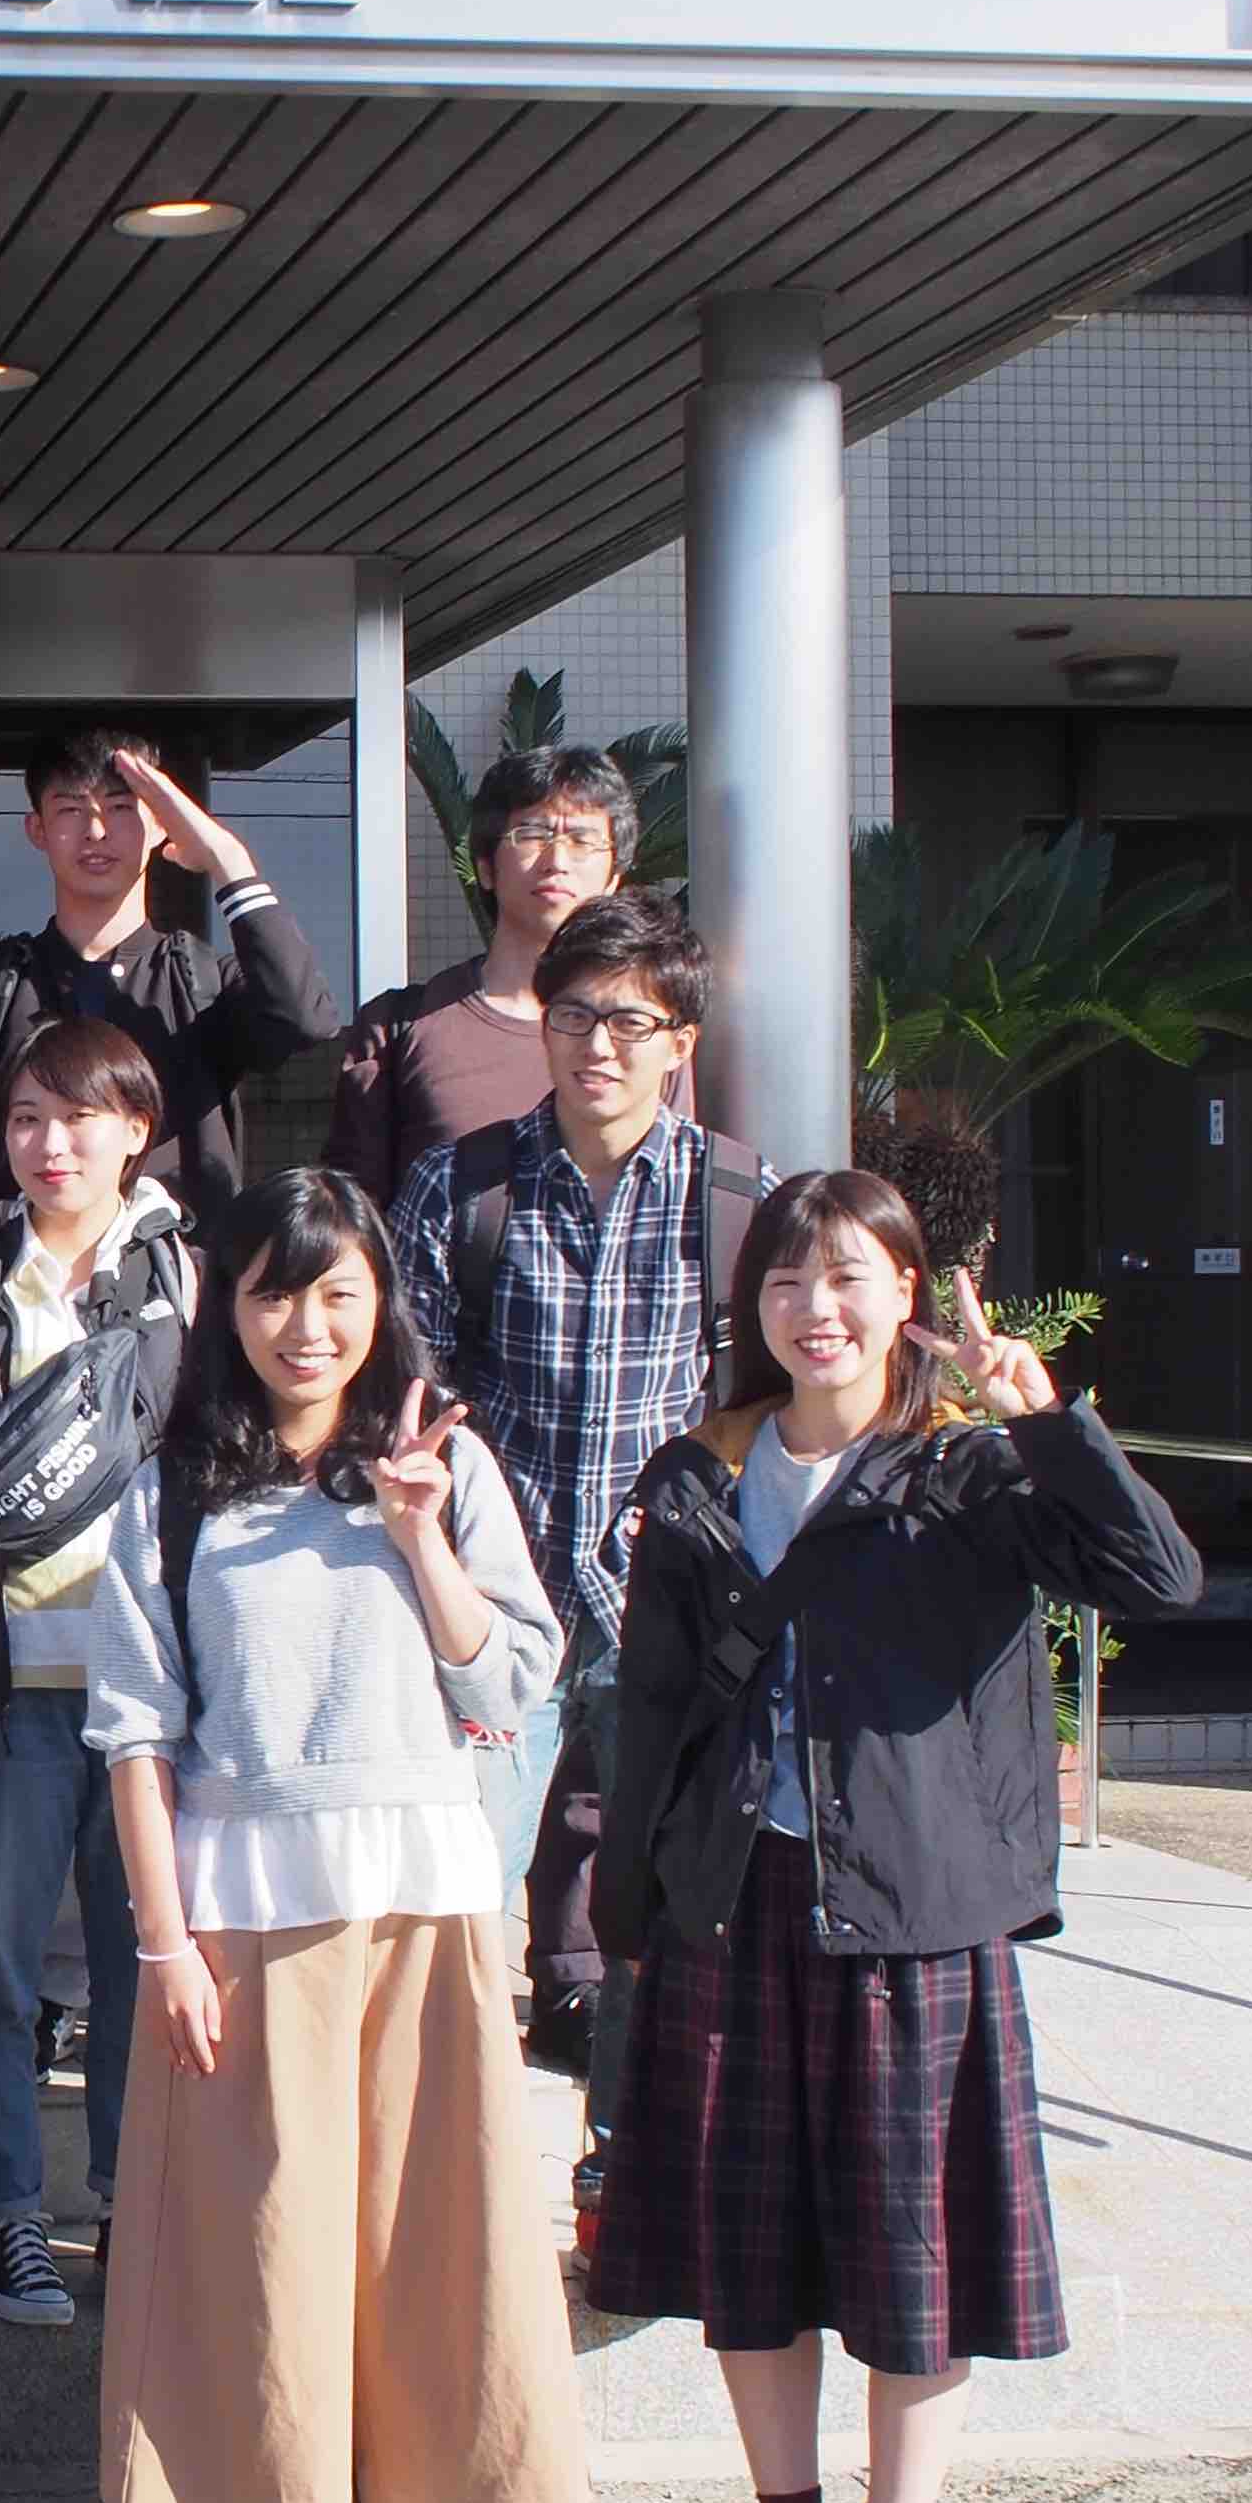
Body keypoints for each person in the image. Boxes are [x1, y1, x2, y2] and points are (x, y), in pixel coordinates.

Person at [589, 1180, 1202, 2503]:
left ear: (908, 1293)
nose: (818, 1309)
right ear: (754, 1307)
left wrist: (1047, 1424)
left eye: (851, 1277)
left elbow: (1158, 1577)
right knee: (749, 2253)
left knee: (909, 2255)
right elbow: (654, 1701)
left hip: (911, 1915)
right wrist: (628, 1906)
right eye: (788, 1281)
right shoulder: (703, 1474)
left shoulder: (970, 1472)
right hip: (737, 1898)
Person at [77, 1173, 581, 2503]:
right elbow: (135, 1735)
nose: (309, 1325)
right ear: (227, 1310)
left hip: (422, 1895)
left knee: (417, 2227)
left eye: (339, 1291)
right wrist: (162, 1945)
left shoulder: (444, 1463)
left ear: (382, 1302)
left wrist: (424, 1539)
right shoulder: (174, 1488)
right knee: (267, 2229)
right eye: (276, 1293)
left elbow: (510, 1684)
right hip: (244, 1908)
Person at [389, 887, 767, 2096]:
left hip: (660, 1603)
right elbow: (409, 1393)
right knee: (451, 1889)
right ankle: (438, 2154)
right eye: (574, 1015)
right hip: (491, 1609)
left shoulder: (737, 1199)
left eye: (631, 1022)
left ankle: (623, 2164)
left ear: (680, 1041)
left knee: (653, 1913)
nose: (598, 1045)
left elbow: (770, 1404)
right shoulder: (461, 1186)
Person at [0, 1017, 195, 2325]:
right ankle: (12, 2213)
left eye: (78, 1117)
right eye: (26, 1118)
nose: (50, 1143)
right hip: (9, 1691)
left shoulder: (184, 1287)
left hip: (150, 1695)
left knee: (143, 1959)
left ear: (136, 1129)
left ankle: (134, 2207)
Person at [0, 728, 343, 1257]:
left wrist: (229, 862)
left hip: (180, 1289)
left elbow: (304, 1019)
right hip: (20, 1290)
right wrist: (34, 1237)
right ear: (37, 829)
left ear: (159, 825)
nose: (96, 831)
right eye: (71, 810)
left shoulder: (203, 984)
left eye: (121, 808)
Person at [327, 744, 641, 1208]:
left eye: (582, 839)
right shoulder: (398, 1026)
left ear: (614, 878)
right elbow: (351, 1221)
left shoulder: (646, 1031)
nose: (557, 859)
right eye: (532, 833)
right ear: (486, 868)